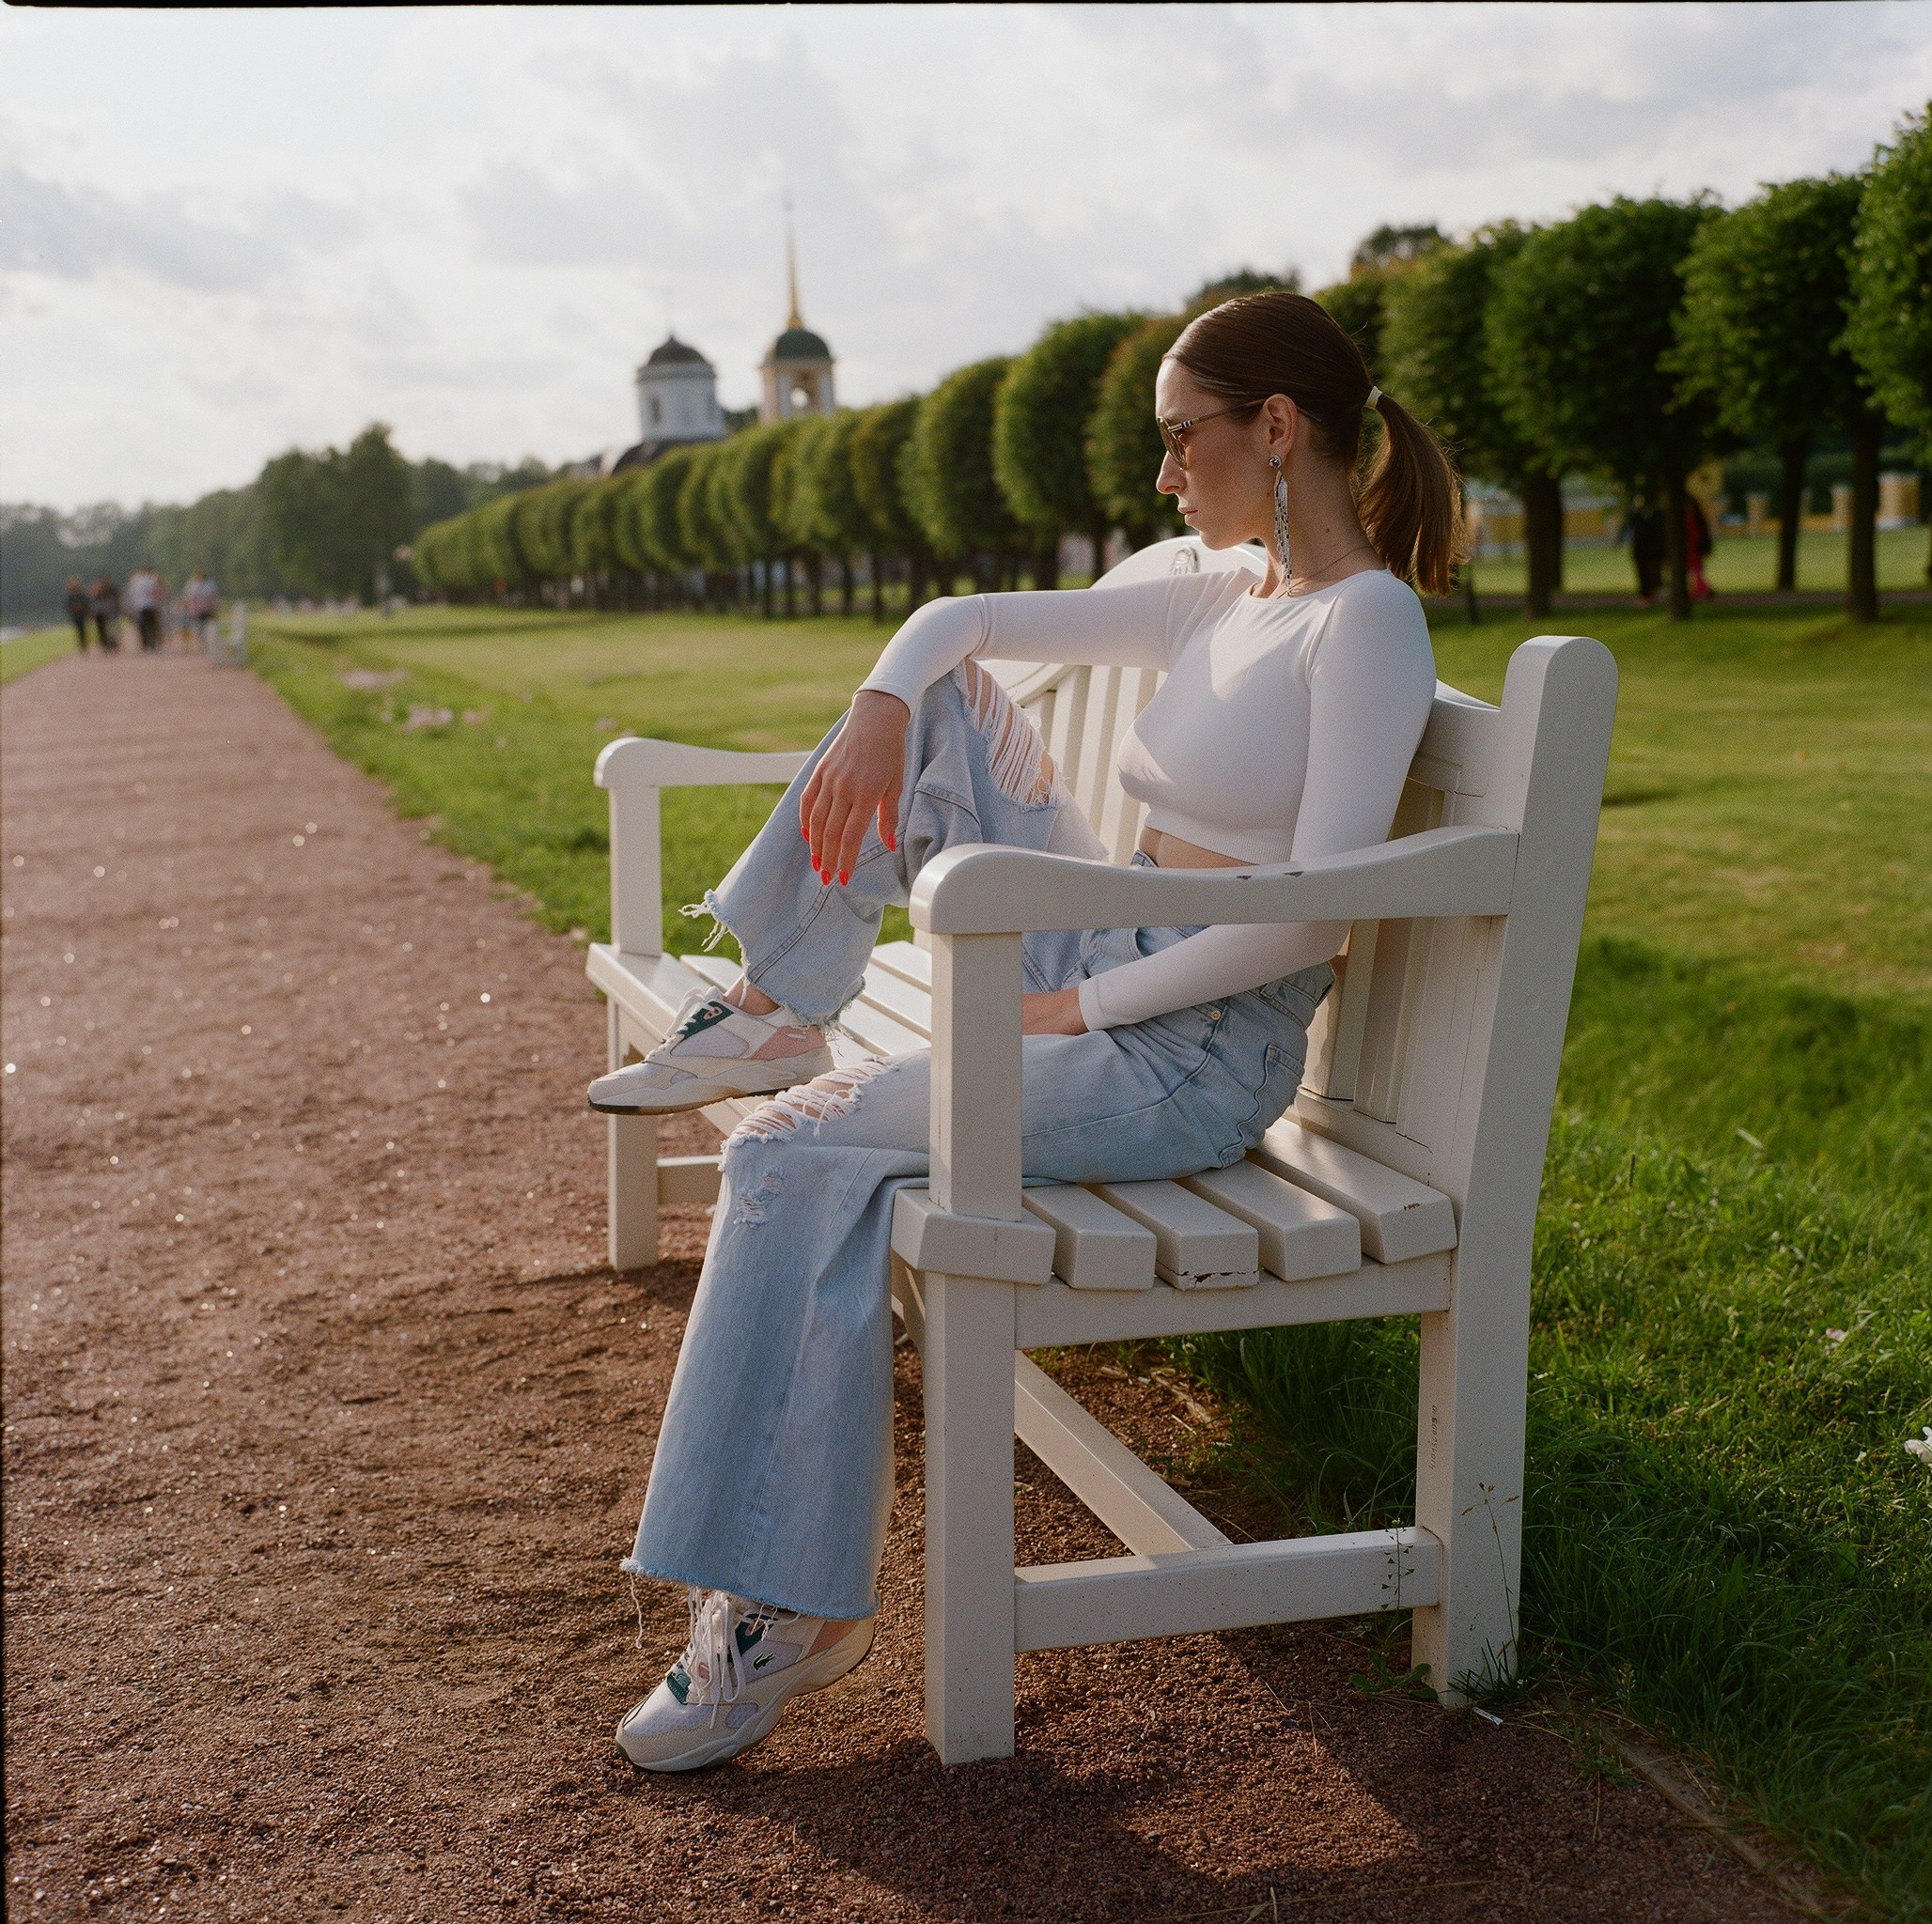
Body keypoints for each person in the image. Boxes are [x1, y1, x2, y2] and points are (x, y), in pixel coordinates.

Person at [588, 291, 1457, 1775]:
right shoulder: (1216, 587)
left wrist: (1079, 1004)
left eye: (1184, 439)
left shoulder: (1363, 622)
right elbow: (963, 624)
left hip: (1183, 1054)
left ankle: (781, 1614)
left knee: (789, 1161)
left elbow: (1314, 917)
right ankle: (779, 1005)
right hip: (1098, 947)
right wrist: (879, 696)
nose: (1166, 475)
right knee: (939, 693)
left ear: (1277, 427)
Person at [1628, 500, 1666, 607]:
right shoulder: (1648, 513)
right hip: (1646, 549)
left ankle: (1649, 594)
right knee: (1647, 572)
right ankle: (1648, 593)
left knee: (1649, 572)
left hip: (1648, 549)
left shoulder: (1653, 514)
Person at [125, 566, 164, 651]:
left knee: (142, 626)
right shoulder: (150, 580)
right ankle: (152, 644)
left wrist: (130, 606)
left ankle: (145, 644)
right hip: (150, 605)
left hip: (139, 606)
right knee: (152, 626)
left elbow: (131, 595)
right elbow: (154, 592)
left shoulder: (135, 581)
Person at [1686, 494, 1715, 601]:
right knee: (1697, 569)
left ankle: (1702, 589)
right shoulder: (1698, 517)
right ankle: (1701, 588)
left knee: (1695, 569)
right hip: (1696, 546)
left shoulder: (1690, 517)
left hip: (1693, 546)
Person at [90, 574, 121, 652]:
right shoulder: (96, 591)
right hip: (100, 613)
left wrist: (119, 608)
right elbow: (92, 599)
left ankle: (113, 644)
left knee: (113, 629)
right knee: (102, 630)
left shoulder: (112, 589)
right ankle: (105, 645)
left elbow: (117, 599)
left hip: (111, 612)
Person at [65, 577, 92, 651]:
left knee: (83, 630)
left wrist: (84, 609)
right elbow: (67, 606)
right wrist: (73, 609)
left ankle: (84, 644)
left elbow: (87, 604)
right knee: (79, 630)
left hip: (83, 614)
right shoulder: (70, 596)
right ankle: (82, 644)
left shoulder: (82, 594)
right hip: (75, 615)